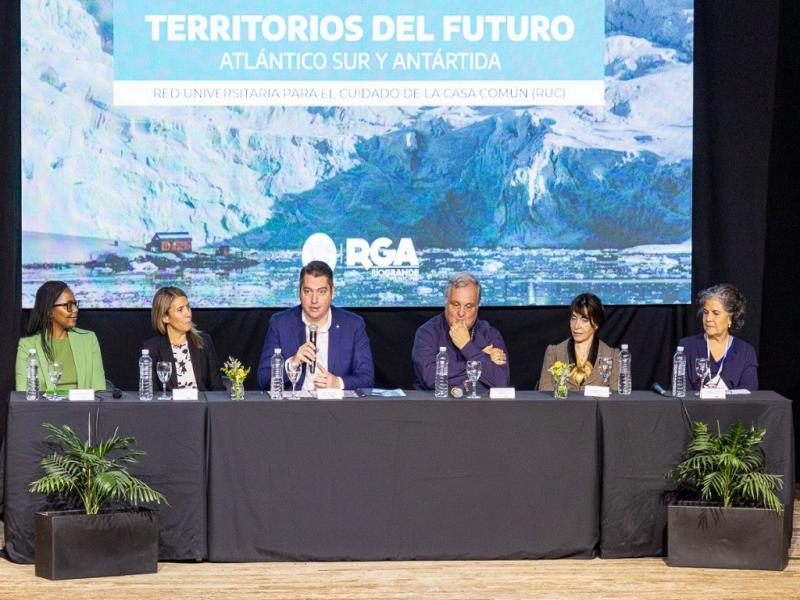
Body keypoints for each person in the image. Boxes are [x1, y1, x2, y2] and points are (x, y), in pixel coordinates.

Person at [257, 260, 375, 391]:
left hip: (337, 407)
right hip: (294, 408)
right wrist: (292, 363)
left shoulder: (353, 325)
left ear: (332, 292)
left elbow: (367, 378)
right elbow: (263, 380)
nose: (314, 300)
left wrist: (337, 383)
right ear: (299, 292)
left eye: (321, 292)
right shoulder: (280, 323)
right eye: (308, 291)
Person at [412, 272, 509, 392]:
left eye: (469, 306)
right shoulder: (427, 332)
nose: (461, 313)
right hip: (435, 407)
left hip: (480, 408)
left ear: (477, 307)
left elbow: (501, 383)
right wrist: (480, 361)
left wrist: (466, 346)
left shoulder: (490, 335)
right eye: (456, 304)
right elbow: (430, 379)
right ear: (446, 303)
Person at [15, 280, 106, 392]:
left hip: (84, 408)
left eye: (75, 304)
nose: (75, 310)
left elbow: (99, 390)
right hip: (46, 409)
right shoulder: (27, 346)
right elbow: (23, 392)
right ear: (49, 311)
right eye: (68, 305)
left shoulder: (89, 339)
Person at [142, 286, 224, 391]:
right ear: (165, 317)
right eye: (180, 310)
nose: (188, 314)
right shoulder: (152, 348)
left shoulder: (204, 341)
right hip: (170, 407)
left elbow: (217, 388)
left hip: (200, 406)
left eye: (188, 307)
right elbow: (151, 395)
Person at [680, 283, 758, 390]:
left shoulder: (746, 352)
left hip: (732, 407)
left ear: (731, 318)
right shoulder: (687, 346)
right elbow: (679, 390)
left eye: (715, 313)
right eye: (706, 312)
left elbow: (750, 392)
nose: (708, 319)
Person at [538, 293, 620, 392]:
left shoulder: (613, 355)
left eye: (584, 320)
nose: (576, 326)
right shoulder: (554, 352)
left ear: (596, 324)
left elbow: (616, 399)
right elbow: (544, 394)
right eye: (573, 318)